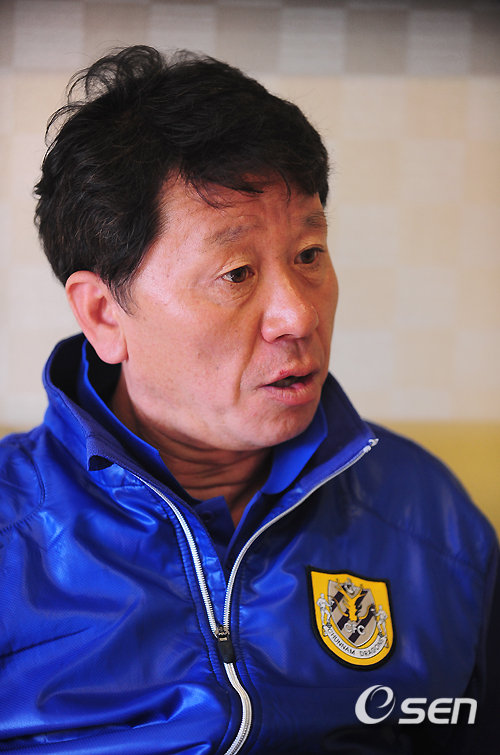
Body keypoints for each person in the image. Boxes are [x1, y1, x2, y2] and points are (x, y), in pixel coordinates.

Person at [0, 45, 497, 755]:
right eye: (236, 272)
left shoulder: (429, 514)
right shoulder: (14, 536)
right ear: (105, 314)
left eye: (309, 254)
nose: (298, 314)